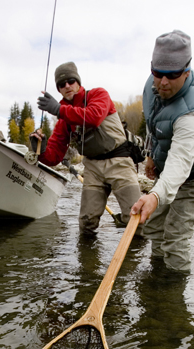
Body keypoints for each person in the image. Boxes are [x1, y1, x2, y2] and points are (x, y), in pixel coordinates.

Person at [131, 30, 194, 272]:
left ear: (186, 71)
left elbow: (181, 162)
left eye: (172, 75)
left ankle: (172, 299)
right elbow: (153, 123)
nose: (163, 82)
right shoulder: (152, 85)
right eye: (158, 74)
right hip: (169, 163)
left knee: (175, 236)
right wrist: (151, 156)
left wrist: (154, 195)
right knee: (153, 227)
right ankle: (156, 282)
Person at [30, 62, 141, 234]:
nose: (67, 86)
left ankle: (135, 259)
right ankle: (87, 261)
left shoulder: (99, 94)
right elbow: (54, 158)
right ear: (58, 89)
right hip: (92, 168)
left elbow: (93, 117)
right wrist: (41, 149)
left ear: (78, 82)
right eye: (61, 84)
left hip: (119, 161)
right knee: (86, 224)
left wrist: (59, 109)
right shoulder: (63, 120)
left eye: (71, 80)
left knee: (136, 220)